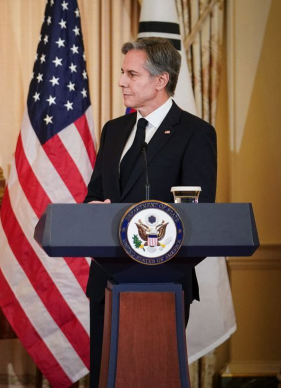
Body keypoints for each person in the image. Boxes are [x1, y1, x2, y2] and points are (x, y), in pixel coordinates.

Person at [84, 37, 217, 387]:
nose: (121, 82)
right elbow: (95, 195)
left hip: (163, 282)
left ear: (161, 80)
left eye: (132, 74)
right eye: (122, 73)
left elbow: (200, 214)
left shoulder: (195, 133)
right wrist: (94, 209)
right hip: (107, 279)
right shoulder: (114, 131)